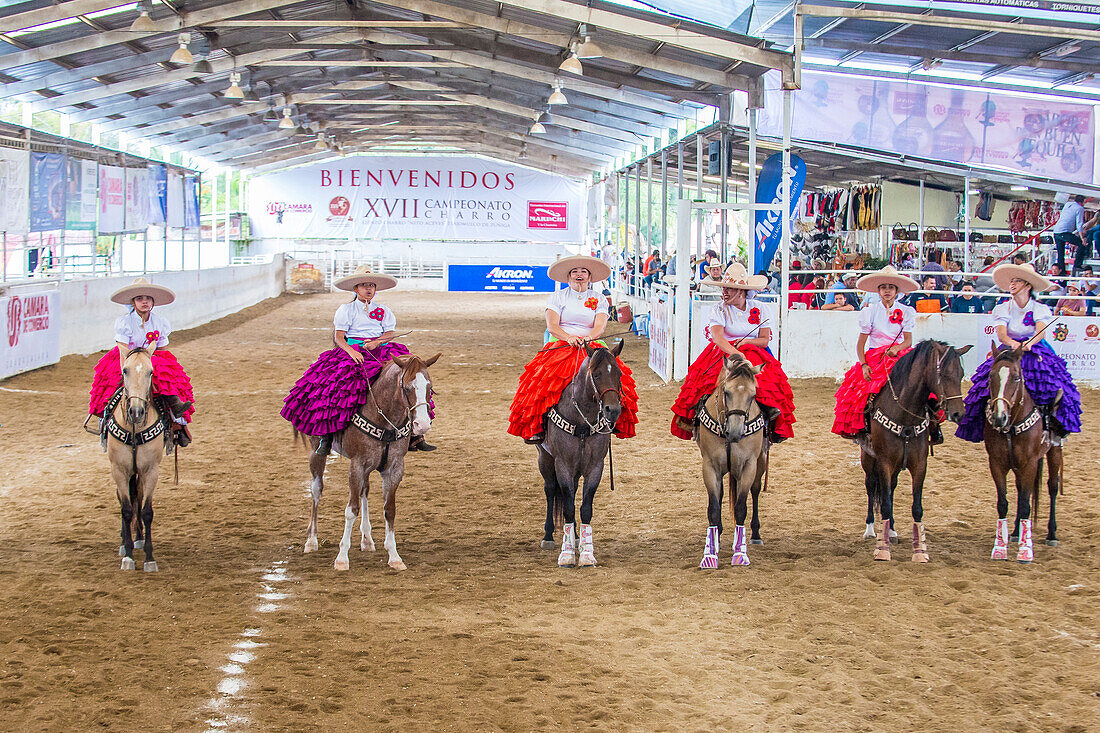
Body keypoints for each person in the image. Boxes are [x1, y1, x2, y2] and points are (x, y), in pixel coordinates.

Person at [281, 266, 435, 456]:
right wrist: (351, 352)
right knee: (337, 386)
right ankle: (326, 436)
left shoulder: (383, 310)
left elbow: (389, 333)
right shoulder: (346, 309)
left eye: (371, 285)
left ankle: (414, 434)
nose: (369, 289)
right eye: (364, 285)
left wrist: (378, 341)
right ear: (356, 289)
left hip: (381, 350)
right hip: (352, 350)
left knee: (410, 378)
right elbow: (339, 337)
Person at [508, 255, 639, 444]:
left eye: (583, 271)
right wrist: (569, 337)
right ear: (568, 276)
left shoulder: (599, 299)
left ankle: (614, 420)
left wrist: (588, 338)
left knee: (620, 379)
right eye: (575, 271)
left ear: (589, 276)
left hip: (591, 343)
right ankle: (538, 427)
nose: (579, 274)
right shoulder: (557, 297)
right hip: (562, 343)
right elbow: (552, 326)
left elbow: (600, 326)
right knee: (540, 382)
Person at [956, 263, 1082, 443]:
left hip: (1034, 349)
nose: (1012, 284)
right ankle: (986, 423)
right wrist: (1014, 344)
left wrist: (1028, 344)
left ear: (1028, 285)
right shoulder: (1003, 308)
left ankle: (1052, 425)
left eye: (1017, 281)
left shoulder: (1039, 308)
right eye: (1012, 281)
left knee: (1055, 384)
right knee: (983, 385)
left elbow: (1040, 332)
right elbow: (1002, 334)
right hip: (1010, 348)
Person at [670, 263, 795, 443]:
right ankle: (697, 417)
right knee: (703, 383)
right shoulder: (719, 309)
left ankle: (769, 417)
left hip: (754, 351)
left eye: (729, 289)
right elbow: (718, 338)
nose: (725, 292)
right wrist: (738, 354)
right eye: (724, 288)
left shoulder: (760, 308)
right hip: (725, 350)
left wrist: (748, 342)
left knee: (768, 383)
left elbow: (764, 339)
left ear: (741, 291)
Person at [87, 278, 195, 447]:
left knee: (167, 374)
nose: (144, 302)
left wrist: (154, 362)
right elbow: (123, 348)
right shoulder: (125, 322)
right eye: (140, 299)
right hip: (128, 357)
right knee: (110, 384)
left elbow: (162, 350)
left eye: (148, 299)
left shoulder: (160, 322)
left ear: (153, 302)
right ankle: (105, 420)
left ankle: (177, 419)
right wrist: (125, 370)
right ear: (133, 302)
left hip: (152, 357)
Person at [831, 266, 934, 440]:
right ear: (878, 290)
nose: (887, 291)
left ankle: (932, 425)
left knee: (923, 384)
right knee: (864, 391)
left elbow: (908, 340)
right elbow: (861, 344)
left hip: (900, 355)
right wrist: (864, 365)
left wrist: (897, 349)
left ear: (896, 291)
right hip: (875, 357)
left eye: (891, 287)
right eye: (883, 287)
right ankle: (864, 427)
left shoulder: (907, 312)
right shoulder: (869, 312)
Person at [1053, 194, 1088, 273]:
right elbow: (1079, 224)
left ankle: (1061, 271)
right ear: (1081, 202)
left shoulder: (1068, 204)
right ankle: (1077, 265)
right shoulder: (1080, 208)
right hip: (1064, 232)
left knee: (1060, 254)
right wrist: (1082, 238)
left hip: (1056, 231)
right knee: (1081, 244)